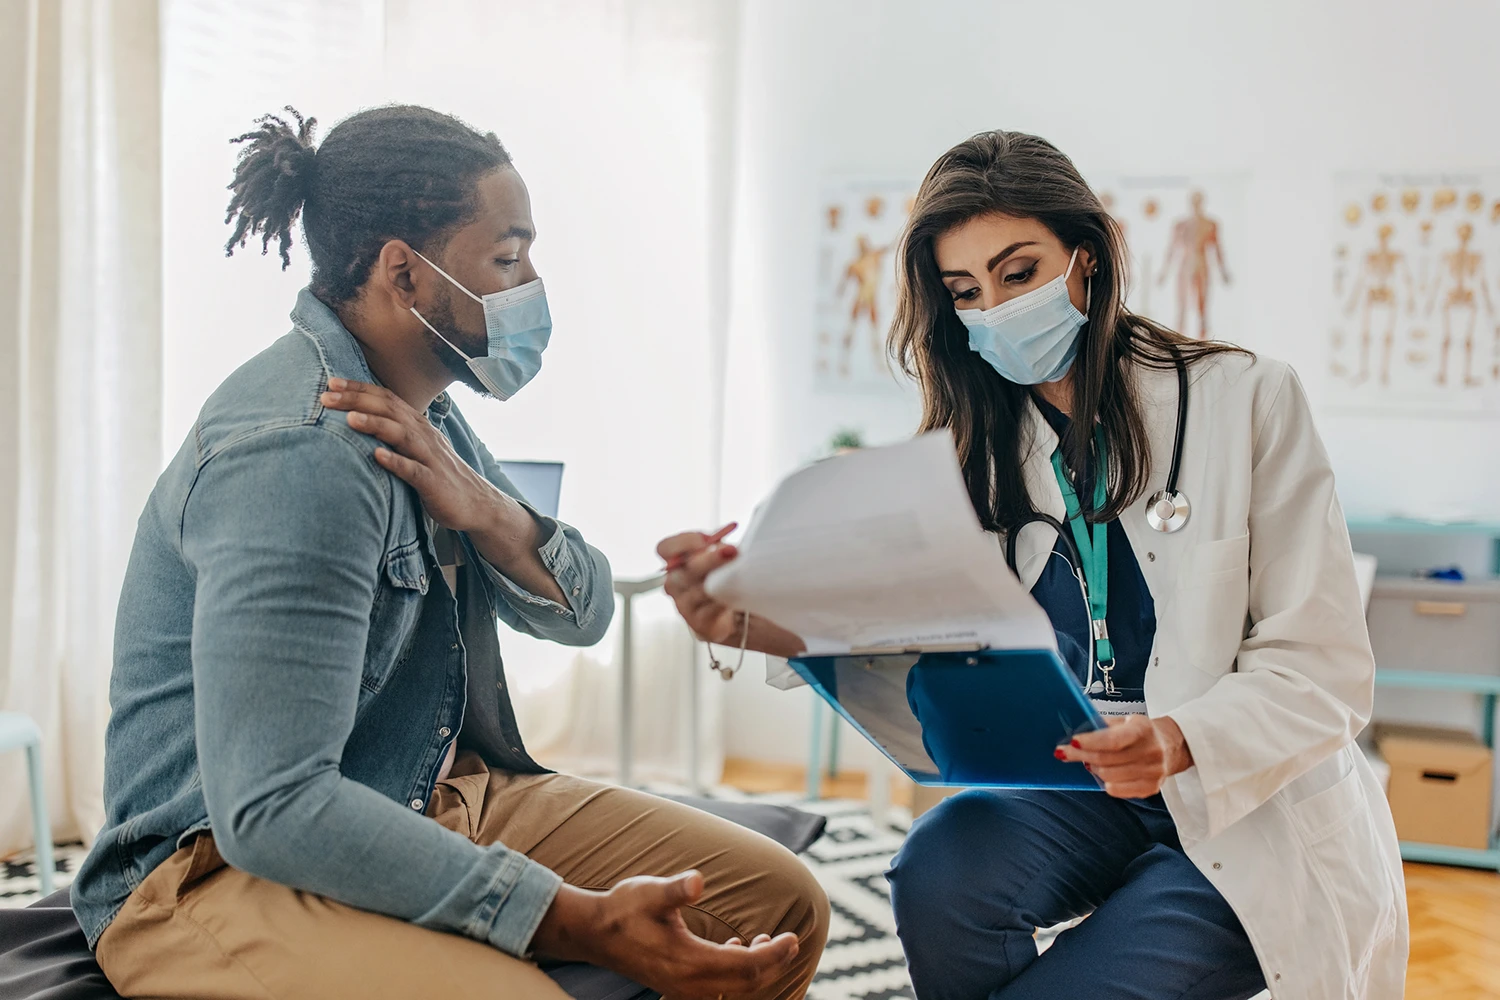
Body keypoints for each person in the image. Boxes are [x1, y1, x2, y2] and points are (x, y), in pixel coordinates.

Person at [71, 105, 827, 1000]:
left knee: (784, 903)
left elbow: (586, 617)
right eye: (508, 259)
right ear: (405, 272)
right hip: (210, 873)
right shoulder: (299, 453)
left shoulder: (429, 414)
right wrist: (572, 916)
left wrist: (488, 511)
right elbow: (271, 812)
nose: (533, 284)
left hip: (425, 787)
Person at [659, 131, 1406, 1000]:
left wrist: (1176, 739)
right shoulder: (973, 444)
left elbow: (1327, 666)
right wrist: (749, 614)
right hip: (1079, 779)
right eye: (965, 290)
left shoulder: (1244, 399)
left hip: (1238, 787)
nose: (996, 310)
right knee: (938, 875)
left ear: (1084, 258)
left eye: (1018, 274)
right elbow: (898, 628)